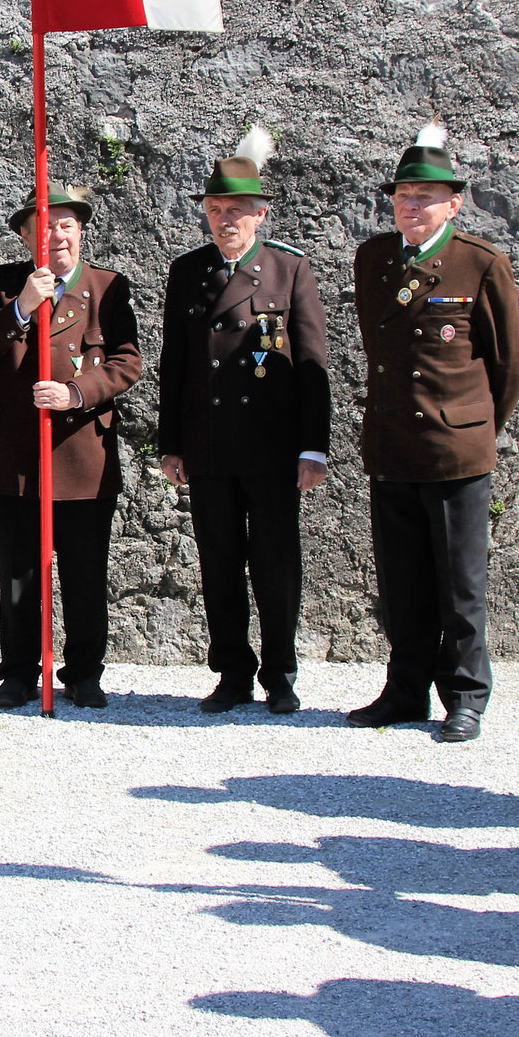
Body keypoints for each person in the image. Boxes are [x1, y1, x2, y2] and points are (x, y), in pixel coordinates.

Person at [347, 122, 519, 743]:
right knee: (401, 583)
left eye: (426, 196)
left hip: (455, 449)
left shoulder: (479, 263)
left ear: (454, 203)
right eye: (403, 196)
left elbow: (507, 364)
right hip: (394, 444)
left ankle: (465, 696)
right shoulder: (373, 259)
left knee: (460, 583)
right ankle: (405, 691)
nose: (412, 206)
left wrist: (473, 428)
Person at [156, 126, 330, 715]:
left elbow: (311, 366)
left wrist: (313, 448)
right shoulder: (189, 272)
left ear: (260, 215)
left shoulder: (289, 273)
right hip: (208, 447)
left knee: (276, 565)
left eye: (237, 210)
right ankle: (232, 670)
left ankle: (280, 673)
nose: (225, 219)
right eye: (214, 209)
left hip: (271, 448)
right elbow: (174, 366)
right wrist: (170, 444)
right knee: (220, 565)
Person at [0, 180, 141, 709]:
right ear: (24, 236)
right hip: (17, 456)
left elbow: (126, 362)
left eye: (65, 224)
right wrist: (22, 306)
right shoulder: (4, 284)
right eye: (43, 226)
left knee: (85, 573)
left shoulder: (109, 288)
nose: (56, 235)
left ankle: (84, 671)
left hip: (82, 455)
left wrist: (74, 393)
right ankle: (18, 670)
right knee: (18, 572)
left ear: (80, 231)